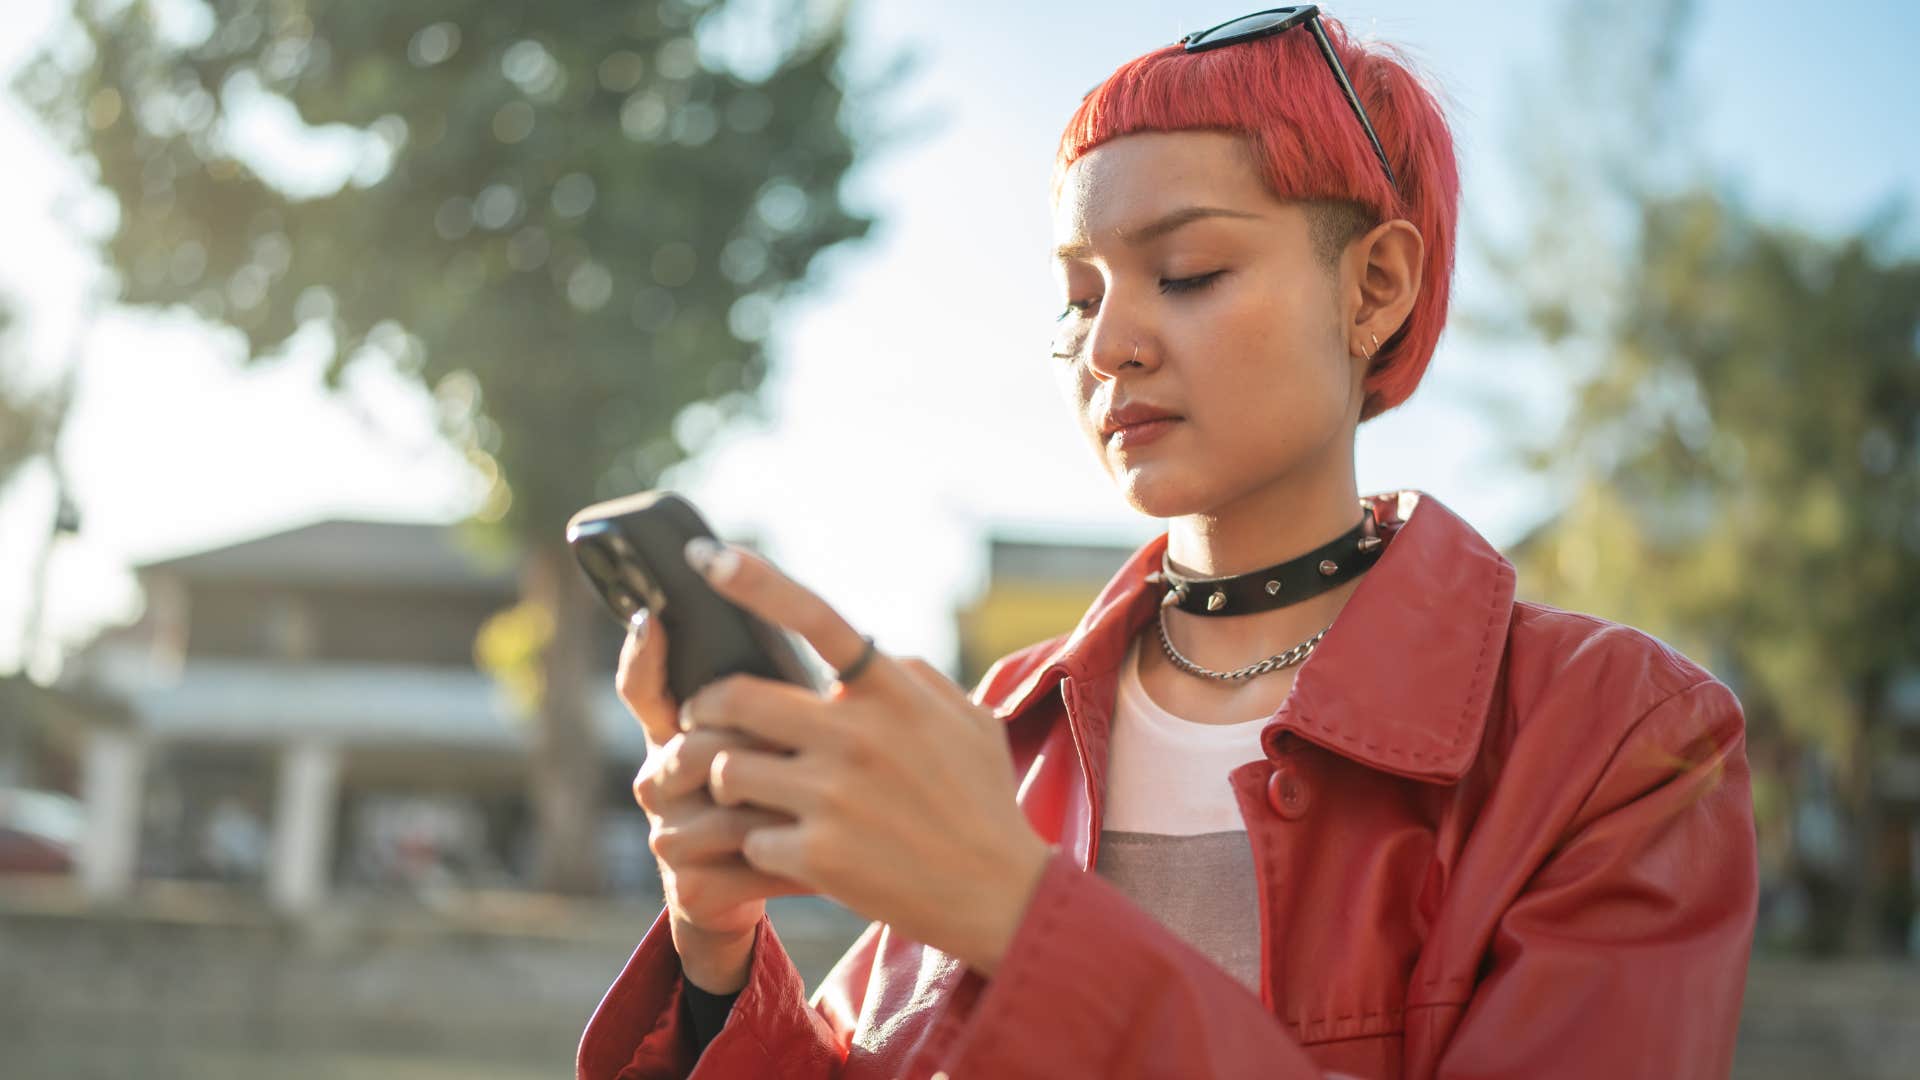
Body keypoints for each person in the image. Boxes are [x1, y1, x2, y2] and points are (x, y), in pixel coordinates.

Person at [577, 8, 1758, 1078]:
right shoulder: (1000, 729)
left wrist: (1020, 914)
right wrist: (718, 951)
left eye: (1185, 271)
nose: (1108, 347)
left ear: (1377, 286)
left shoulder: (1618, 738)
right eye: (1079, 298)